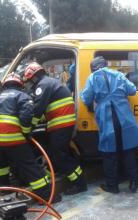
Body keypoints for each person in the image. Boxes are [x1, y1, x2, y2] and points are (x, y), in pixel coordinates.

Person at [0, 73, 61, 202]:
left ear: (5, 85)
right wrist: (26, 133)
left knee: (0, 166)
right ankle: (47, 196)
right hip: (12, 137)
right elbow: (26, 116)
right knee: (30, 166)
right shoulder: (22, 96)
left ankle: (4, 190)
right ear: (20, 85)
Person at [81, 56, 138, 193]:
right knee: (128, 150)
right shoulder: (119, 75)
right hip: (123, 116)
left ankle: (113, 186)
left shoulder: (92, 78)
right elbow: (132, 90)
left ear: (93, 68)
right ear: (106, 65)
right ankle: (133, 183)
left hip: (107, 117)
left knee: (109, 153)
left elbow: (86, 98)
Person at [23, 62, 87, 195]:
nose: (29, 84)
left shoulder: (42, 85)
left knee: (58, 155)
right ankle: (76, 179)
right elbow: (47, 110)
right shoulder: (50, 82)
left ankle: (80, 183)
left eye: (29, 81)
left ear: (34, 77)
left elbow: (37, 110)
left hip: (61, 123)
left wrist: (29, 128)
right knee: (61, 153)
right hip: (63, 122)